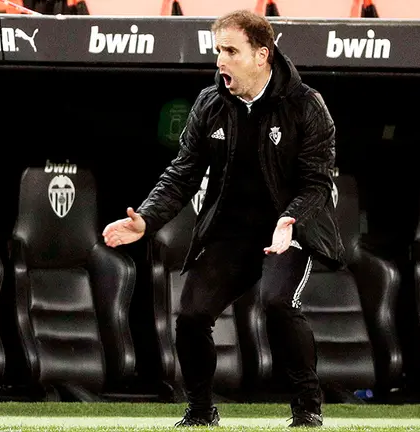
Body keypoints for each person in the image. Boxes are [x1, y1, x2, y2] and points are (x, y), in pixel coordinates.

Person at [102, 9, 345, 428]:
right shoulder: (210, 103)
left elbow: (318, 183)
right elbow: (182, 172)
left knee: (278, 304)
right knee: (192, 315)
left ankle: (308, 406)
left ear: (262, 55)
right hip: (231, 234)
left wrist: (290, 220)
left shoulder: (306, 106)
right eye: (218, 51)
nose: (220, 61)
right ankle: (199, 411)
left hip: (286, 231)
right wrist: (145, 219)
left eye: (231, 51)